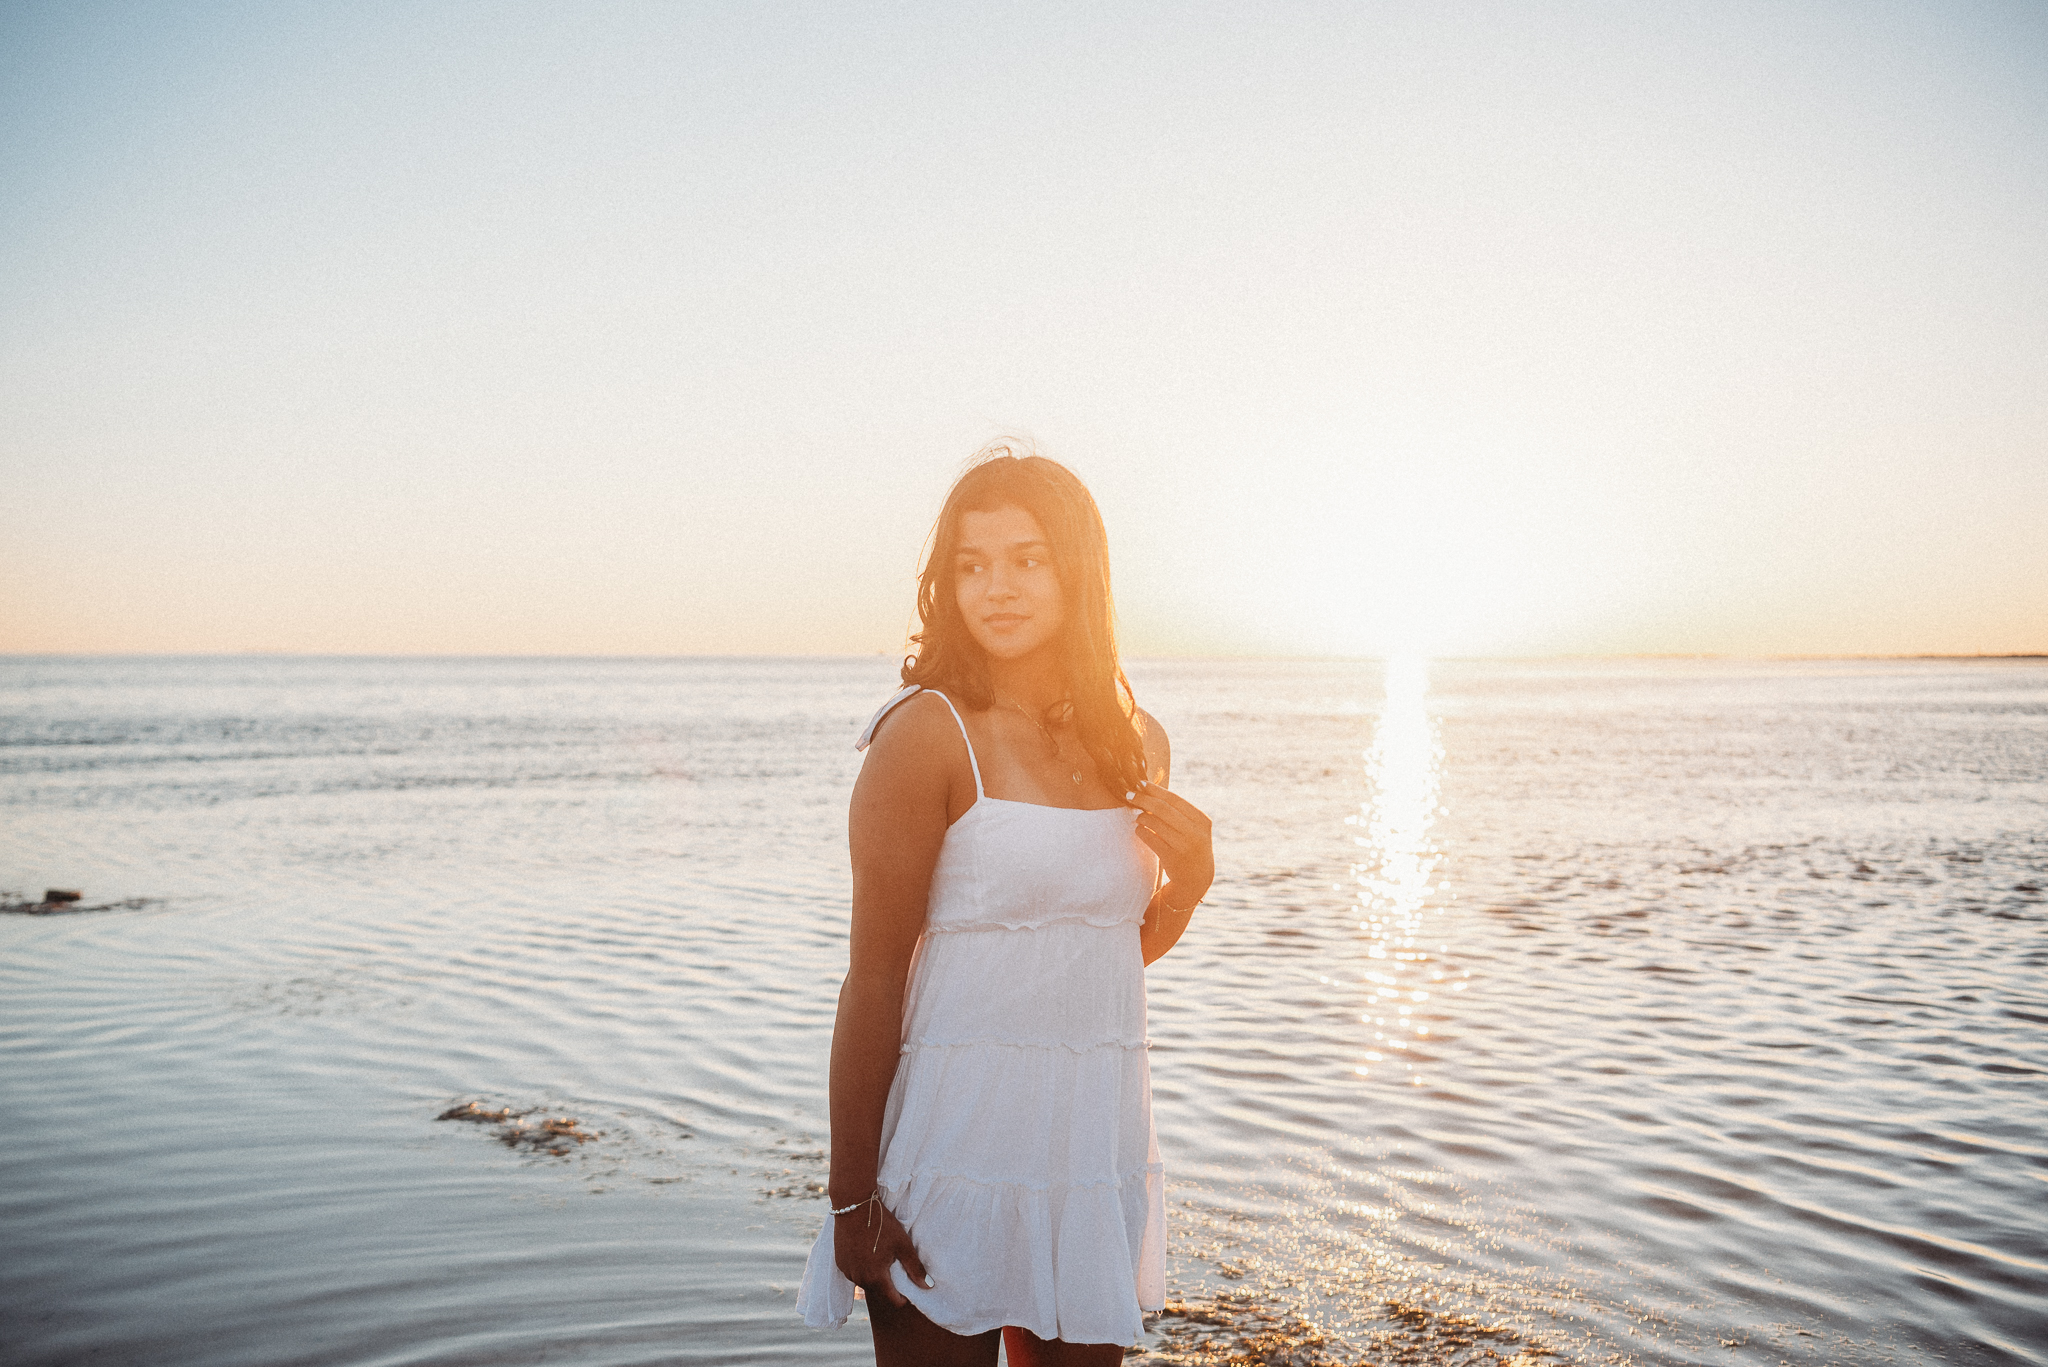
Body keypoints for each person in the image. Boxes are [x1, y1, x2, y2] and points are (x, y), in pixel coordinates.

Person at [796, 445, 1215, 1366]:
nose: (998, 588)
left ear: (1080, 569)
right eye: (971, 564)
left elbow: (1094, 957)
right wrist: (851, 1199)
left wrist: (1190, 888)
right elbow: (872, 979)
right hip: (953, 1156)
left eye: (1027, 558)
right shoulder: (922, 737)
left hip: (1086, 1151)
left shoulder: (1136, 742)